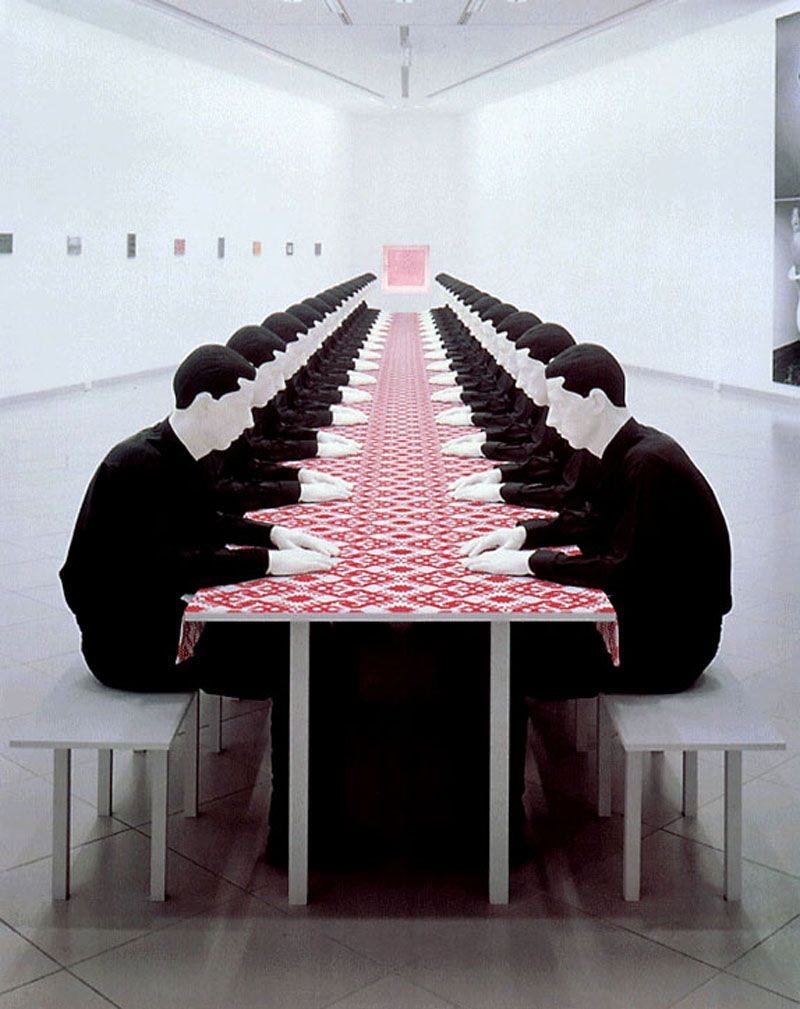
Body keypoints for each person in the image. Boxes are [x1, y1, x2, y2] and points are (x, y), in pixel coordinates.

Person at [60, 344, 338, 695]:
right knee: (305, 657)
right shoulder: (135, 466)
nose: (249, 421)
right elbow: (171, 566)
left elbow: (204, 521)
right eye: (240, 407)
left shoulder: (185, 451)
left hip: (164, 612)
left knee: (307, 635)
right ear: (205, 404)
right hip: (133, 648)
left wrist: (273, 534)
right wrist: (268, 561)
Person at [462, 342, 732, 696]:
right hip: (646, 613)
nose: (552, 420)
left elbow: (623, 569)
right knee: (503, 637)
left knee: (499, 655)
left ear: (596, 402)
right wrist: (525, 535)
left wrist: (530, 562)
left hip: (668, 647)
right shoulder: (617, 448)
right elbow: (592, 519)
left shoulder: (649, 464)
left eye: (560, 406)